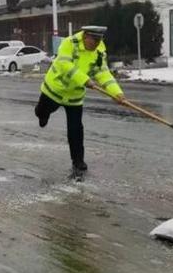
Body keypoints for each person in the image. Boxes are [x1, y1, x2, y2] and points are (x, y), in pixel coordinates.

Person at [35, 25, 126, 174]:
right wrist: (84, 80)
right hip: (54, 90)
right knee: (42, 111)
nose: (96, 43)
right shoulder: (69, 43)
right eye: (94, 40)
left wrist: (117, 93)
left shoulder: (99, 51)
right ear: (85, 36)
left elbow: (103, 73)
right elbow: (64, 65)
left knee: (76, 129)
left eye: (99, 40)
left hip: (75, 96)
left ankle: (78, 161)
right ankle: (42, 114)